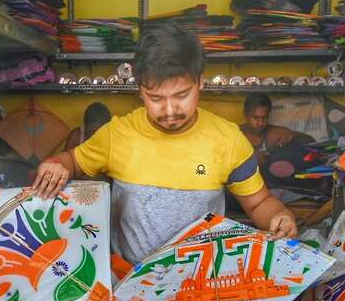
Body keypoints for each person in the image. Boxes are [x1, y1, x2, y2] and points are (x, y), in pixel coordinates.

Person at [32, 24, 298, 266]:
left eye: (181, 95)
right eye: (156, 98)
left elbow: (258, 203)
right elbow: (73, 161)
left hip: (199, 282)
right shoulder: (117, 134)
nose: (170, 110)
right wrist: (58, 165)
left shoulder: (228, 140)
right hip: (127, 283)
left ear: (200, 82)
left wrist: (279, 215)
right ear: (140, 91)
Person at [240, 92, 315, 161]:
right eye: (255, 118)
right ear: (245, 115)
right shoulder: (236, 134)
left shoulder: (276, 133)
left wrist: (293, 137)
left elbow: (311, 142)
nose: (260, 123)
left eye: (265, 117)